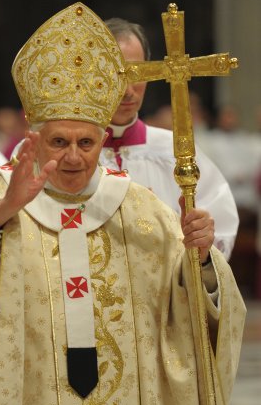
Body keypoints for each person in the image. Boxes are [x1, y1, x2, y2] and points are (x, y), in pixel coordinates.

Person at [0, 2, 245, 405]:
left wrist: (202, 261)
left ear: (101, 140)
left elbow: (189, 309)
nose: (74, 157)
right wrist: (4, 212)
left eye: (87, 143)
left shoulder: (143, 209)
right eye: (59, 142)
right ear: (35, 137)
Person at [101, 17, 239, 260]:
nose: (127, 91)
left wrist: (204, 244)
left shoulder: (171, 151)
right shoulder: (66, 154)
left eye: (137, 73)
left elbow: (218, 239)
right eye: (115, 74)